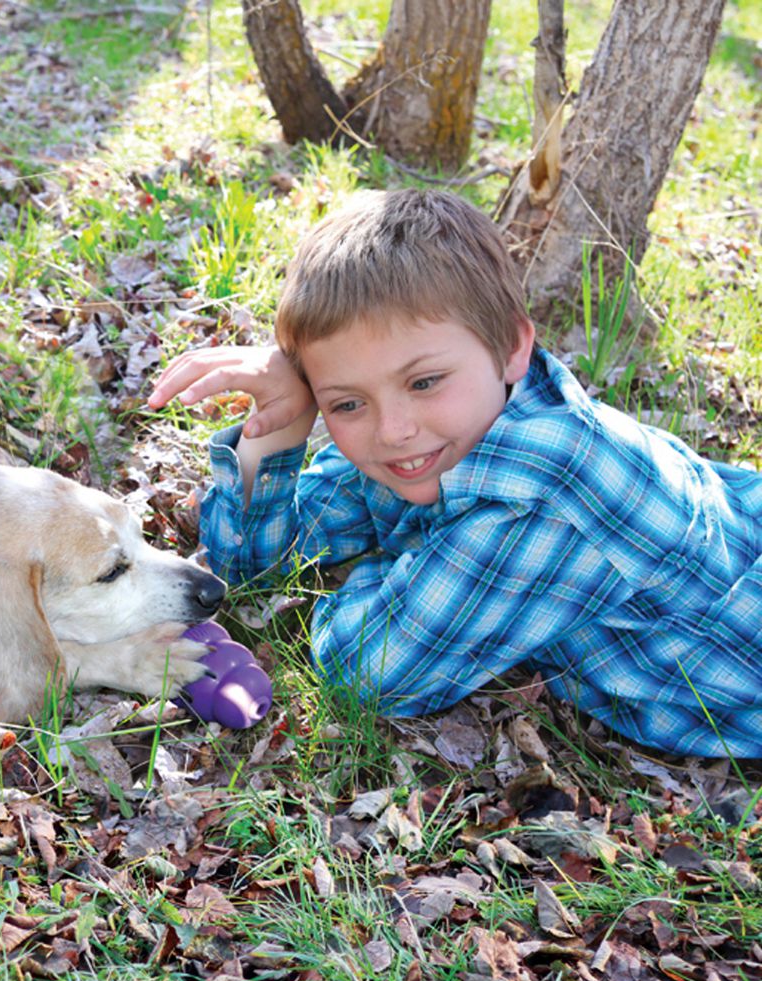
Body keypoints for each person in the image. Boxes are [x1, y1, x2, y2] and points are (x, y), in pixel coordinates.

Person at [148, 188, 762, 758]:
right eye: (346, 403)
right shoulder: (438, 436)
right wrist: (278, 429)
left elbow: (370, 674)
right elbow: (254, 568)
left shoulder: (541, 493)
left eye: (424, 382)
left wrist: (381, 569)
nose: (393, 429)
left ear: (513, 348)